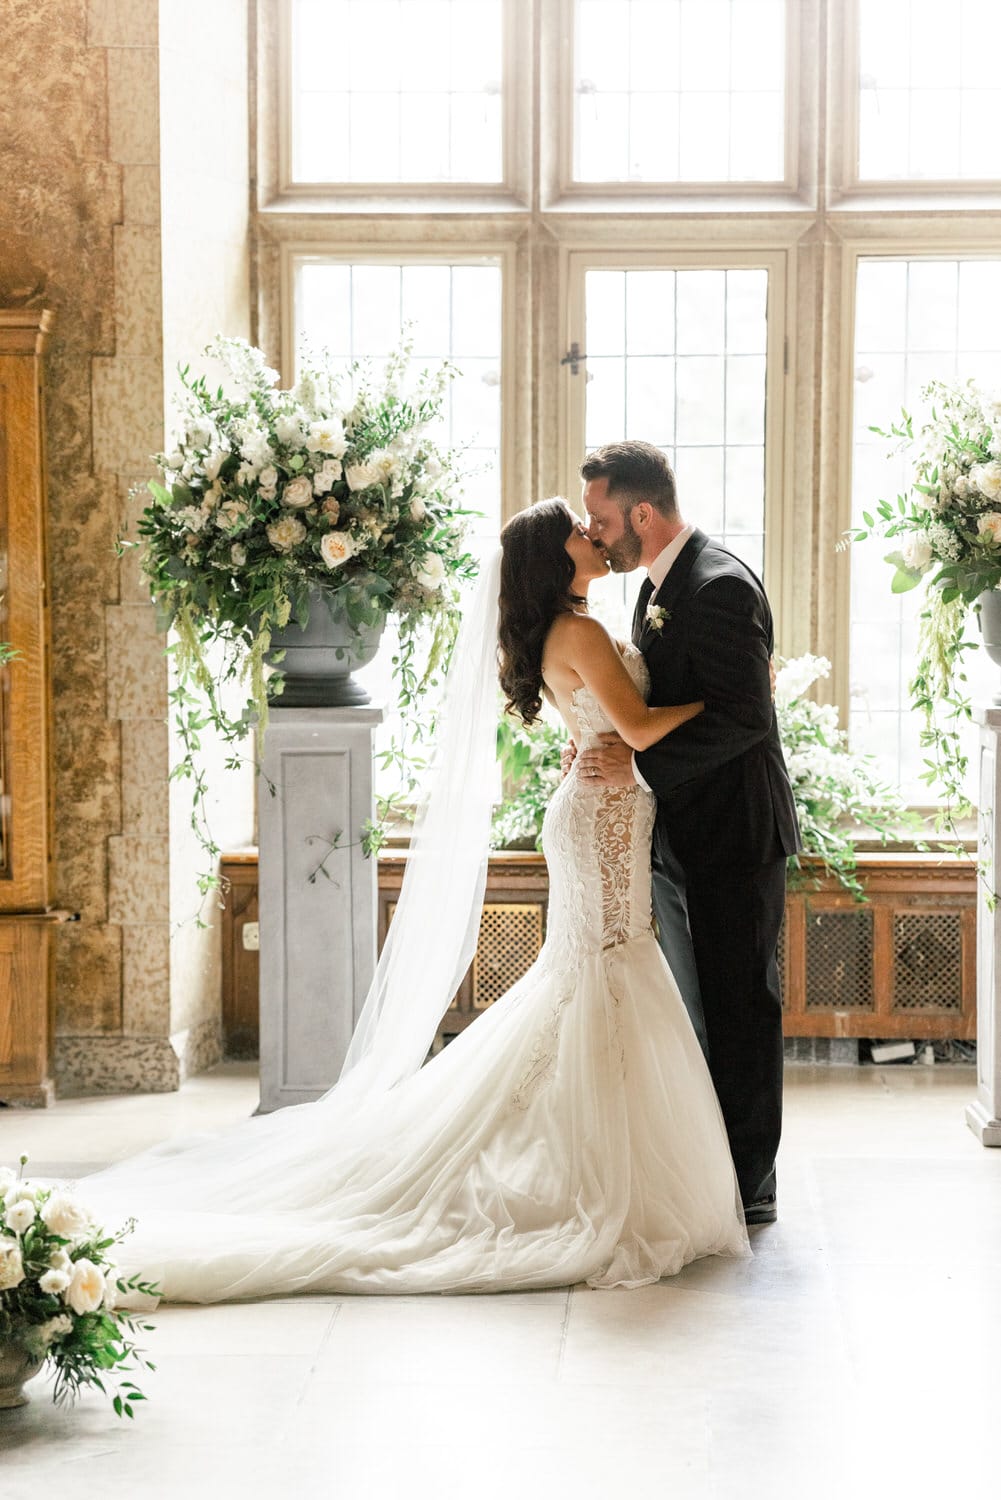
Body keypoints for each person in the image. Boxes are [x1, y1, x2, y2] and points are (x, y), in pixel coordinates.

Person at [76, 498, 748, 1303]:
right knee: (603, 965)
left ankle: (596, 1159)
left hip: (603, 809)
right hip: (600, 820)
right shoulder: (578, 633)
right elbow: (637, 729)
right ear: (551, 558)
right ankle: (593, 1173)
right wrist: (735, 704)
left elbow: (609, 724)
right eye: (580, 532)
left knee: (594, 970)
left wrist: (612, 735)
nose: (594, 538)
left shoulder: (576, 630)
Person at [575, 442, 801, 1226]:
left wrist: (635, 770)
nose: (595, 534)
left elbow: (745, 717)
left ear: (643, 512)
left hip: (735, 832)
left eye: (603, 518)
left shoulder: (719, 586)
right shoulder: (655, 588)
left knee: (741, 1005)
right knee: (701, 1004)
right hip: (685, 828)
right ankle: (712, 1168)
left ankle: (749, 1185)